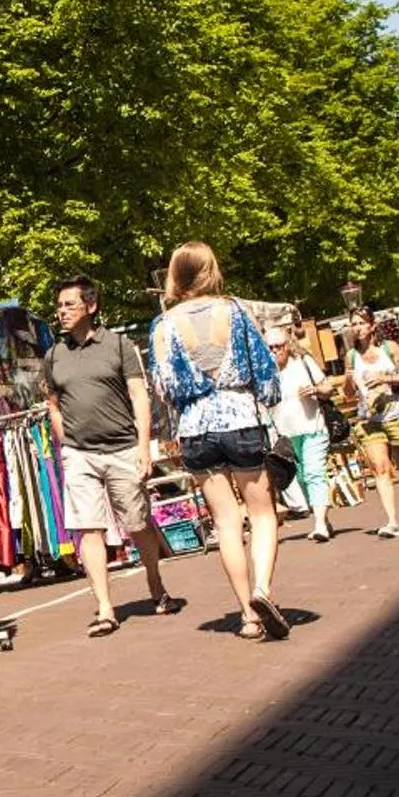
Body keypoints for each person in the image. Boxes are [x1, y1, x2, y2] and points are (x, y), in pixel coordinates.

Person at [147, 244, 289, 642]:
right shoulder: (234, 312)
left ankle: (247, 614)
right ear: (211, 270)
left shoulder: (163, 325)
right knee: (262, 514)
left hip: (195, 428)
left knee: (226, 522)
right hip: (240, 417)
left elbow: (163, 386)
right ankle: (262, 588)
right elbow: (264, 371)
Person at [43, 276, 177, 639]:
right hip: (79, 455)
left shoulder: (119, 346)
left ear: (91, 306)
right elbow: (53, 404)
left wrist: (144, 446)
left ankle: (155, 582)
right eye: (59, 306)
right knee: (89, 528)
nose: (62, 312)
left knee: (137, 522)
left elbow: (139, 397)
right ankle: (105, 607)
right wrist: (64, 438)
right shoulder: (54, 355)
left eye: (69, 305)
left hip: (121, 448)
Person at [343, 311, 399, 538]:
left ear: (371, 326)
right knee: (380, 468)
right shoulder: (351, 356)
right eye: (353, 324)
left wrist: (385, 379)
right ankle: (391, 521)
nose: (357, 328)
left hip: (398, 413)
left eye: (361, 323)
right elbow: (349, 395)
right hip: (370, 419)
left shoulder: (389, 348)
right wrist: (348, 380)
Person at [266, 323, 339, 543]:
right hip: (286, 434)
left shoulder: (303, 362)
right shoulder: (265, 371)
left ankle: (318, 525)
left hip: (313, 427)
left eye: (278, 346)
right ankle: (322, 518)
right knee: (301, 477)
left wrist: (315, 390)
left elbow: (328, 387)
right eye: (269, 347)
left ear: (287, 345)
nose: (275, 351)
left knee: (314, 472)